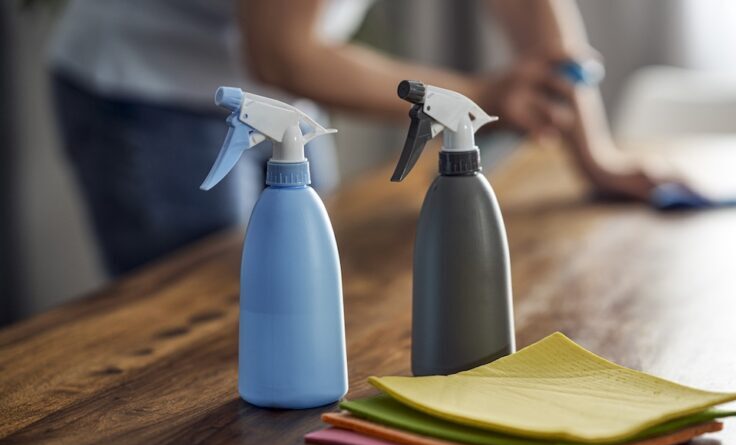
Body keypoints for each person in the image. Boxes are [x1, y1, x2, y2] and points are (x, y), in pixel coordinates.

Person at [50, 0, 667, 276]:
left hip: (284, 86)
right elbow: (282, 54)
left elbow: (532, 10)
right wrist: (477, 94)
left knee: (312, 280)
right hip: (150, 79)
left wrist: (596, 157)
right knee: (199, 330)